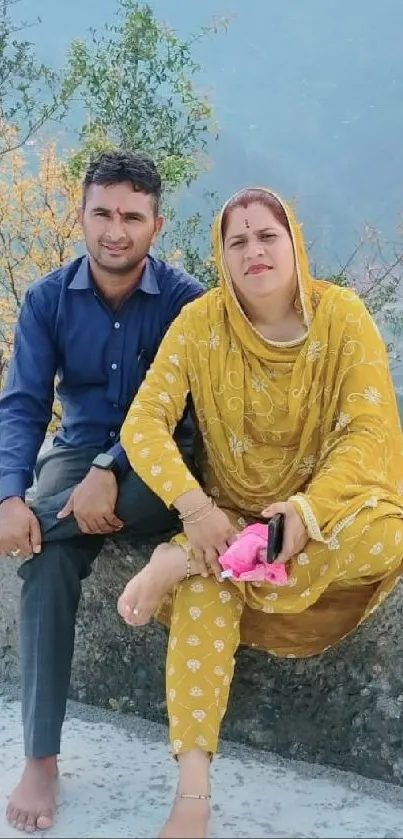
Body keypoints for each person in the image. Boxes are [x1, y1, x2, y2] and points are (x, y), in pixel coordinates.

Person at [117, 187, 403, 839]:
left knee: (386, 536)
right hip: (231, 522)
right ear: (221, 256)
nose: (253, 249)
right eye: (236, 240)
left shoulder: (342, 316)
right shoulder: (200, 324)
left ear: (293, 241)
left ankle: (186, 558)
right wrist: (192, 505)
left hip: (317, 522)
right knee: (203, 599)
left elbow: (364, 431)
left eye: (265, 234)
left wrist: (306, 509)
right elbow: (145, 423)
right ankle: (192, 796)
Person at [0, 149, 204, 833]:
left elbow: (178, 415)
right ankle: (41, 755)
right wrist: (8, 496)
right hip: (77, 452)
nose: (115, 230)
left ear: (155, 224)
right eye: (102, 213)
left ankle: (47, 516)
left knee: (48, 526)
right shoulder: (48, 298)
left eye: (132, 217)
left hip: (164, 469)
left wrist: (113, 465)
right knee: (46, 561)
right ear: (81, 214)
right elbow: (24, 406)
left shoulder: (186, 302)